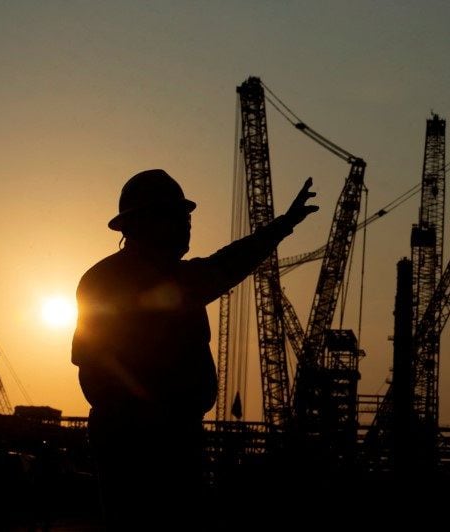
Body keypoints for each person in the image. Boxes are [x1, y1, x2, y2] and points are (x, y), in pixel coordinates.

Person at [71, 169, 317, 530]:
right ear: (141, 224)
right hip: (149, 443)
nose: (186, 225)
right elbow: (220, 268)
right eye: (175, 216)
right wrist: (280, 228)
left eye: (186, 217)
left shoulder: (122, 276)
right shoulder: (138, 280)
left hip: (153, 435)